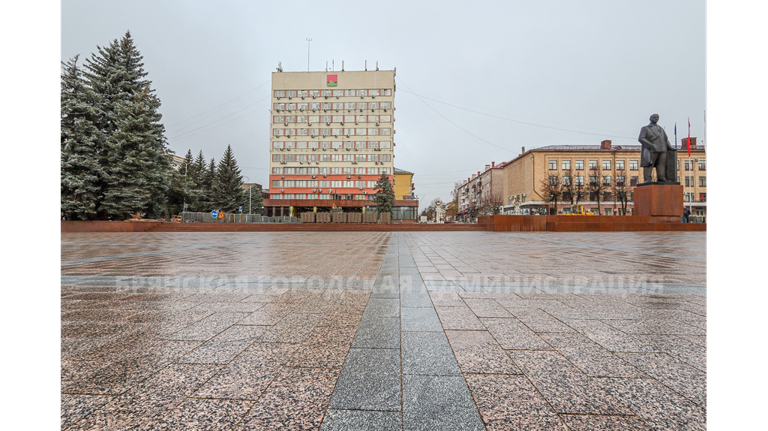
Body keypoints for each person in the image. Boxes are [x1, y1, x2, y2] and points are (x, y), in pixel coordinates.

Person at [638, 114, 676, 183]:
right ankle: (647, 179)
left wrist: (670, 147)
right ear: (650, 118)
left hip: (662, 149)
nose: (656, 119)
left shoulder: (660, 128)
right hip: (652, 149)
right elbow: (641, 138)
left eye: (657, 118)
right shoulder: (646, 128)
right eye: (654, 117)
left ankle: (661, 177)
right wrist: (650, 145)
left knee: (661, 164)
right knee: (649, 164)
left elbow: (665, 139)